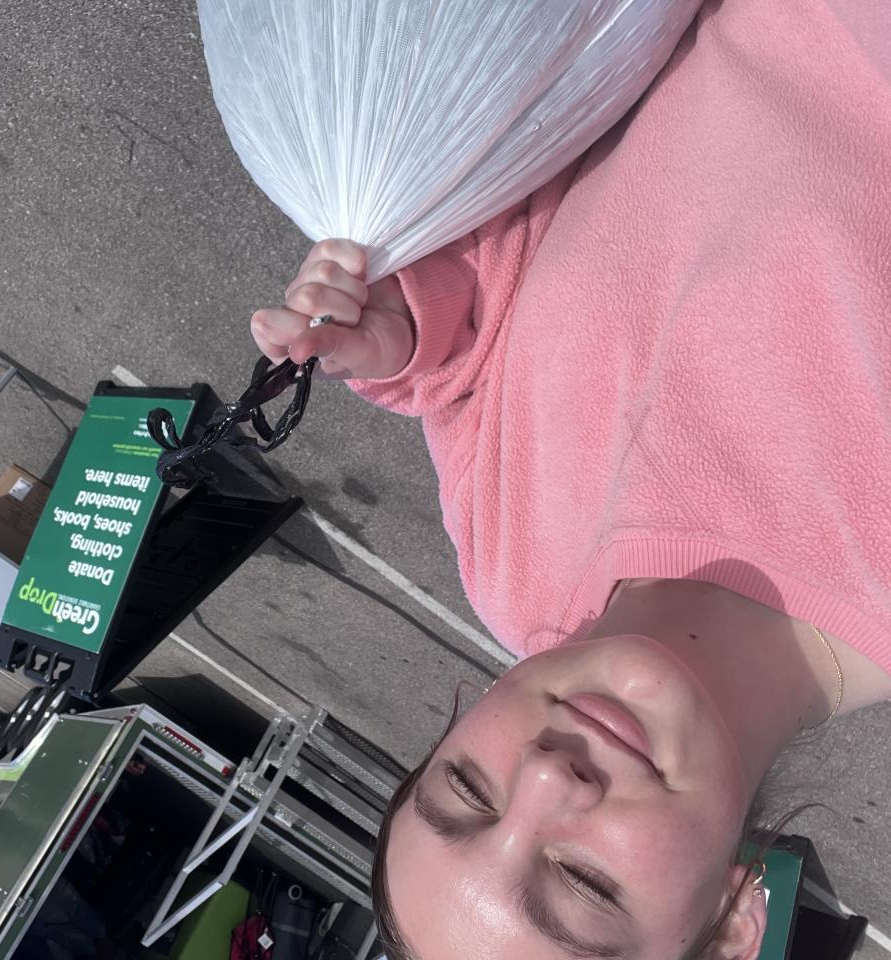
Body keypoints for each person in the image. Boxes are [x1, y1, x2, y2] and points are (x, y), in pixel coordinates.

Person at [249, 1, 891, 958]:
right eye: (586, 883)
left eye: (467, 788)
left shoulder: (516, 574)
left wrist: (411, 324)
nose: (548, 777)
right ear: (730, 926)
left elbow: (480, 336)